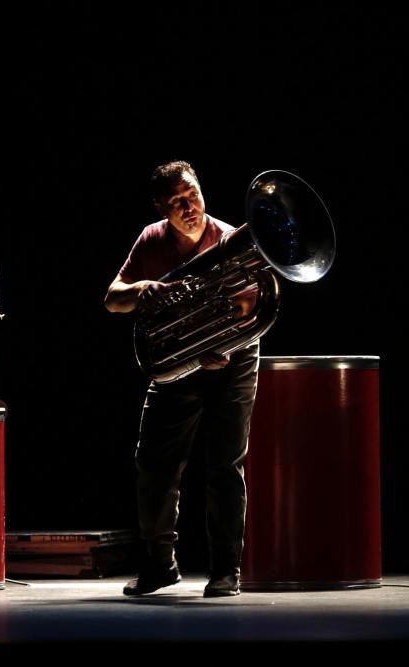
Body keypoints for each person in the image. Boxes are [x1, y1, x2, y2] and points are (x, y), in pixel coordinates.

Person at [104, 161, 259, 597]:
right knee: (153, 465)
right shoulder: (151, 240)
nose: (188, 206)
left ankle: (226, 571)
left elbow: (252, 311)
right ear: (161, 208)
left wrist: (222, 343)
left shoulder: (231, 240)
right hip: (177, 365)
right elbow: (111, 299)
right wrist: (142, 289)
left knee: (225, 466)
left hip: (232, 359)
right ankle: (159, 566)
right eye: (175, 202)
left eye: (191, 194)